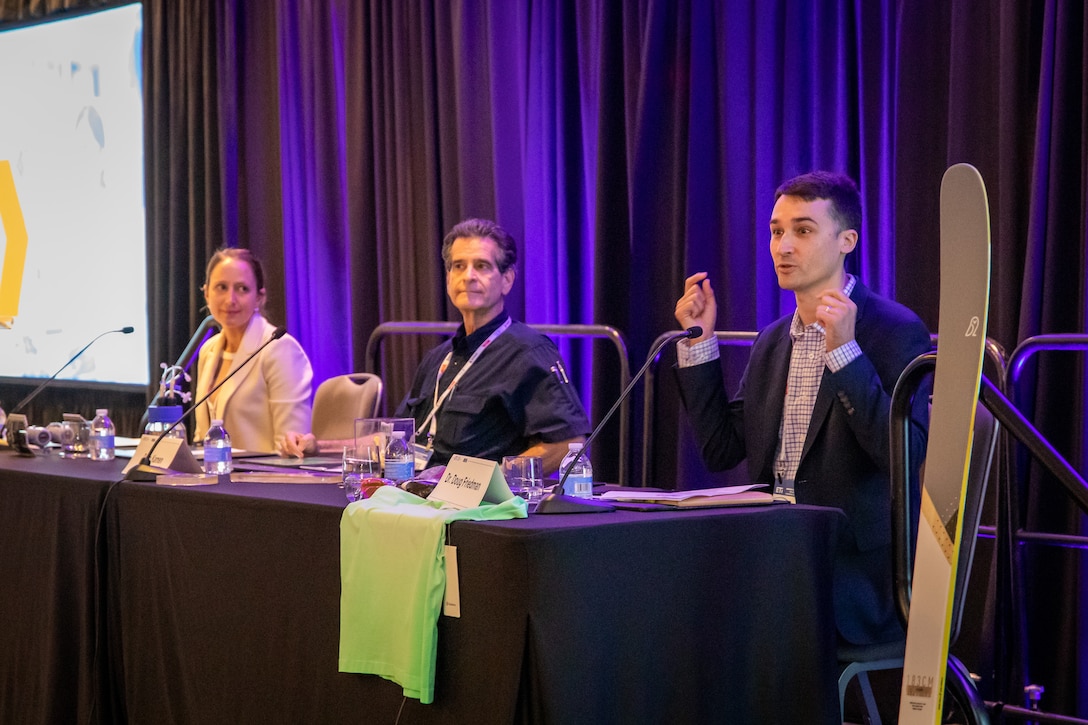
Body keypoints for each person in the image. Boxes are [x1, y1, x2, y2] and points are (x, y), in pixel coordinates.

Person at [673, 171, 931, 646]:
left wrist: (845, 353)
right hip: (774, 553)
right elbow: (720, 450)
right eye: (776, 231)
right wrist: (701, 345)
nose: (783, 246)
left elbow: (904, 459)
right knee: (673, 606)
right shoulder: (774, 339)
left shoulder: (894, 330)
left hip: (850, 573)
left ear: (846, 240)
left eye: (803, 230)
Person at [279, 218, 590, 474]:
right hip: (416, 497)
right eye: (458, 266)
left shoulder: (528, 352)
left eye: (481, 266)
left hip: (477, 515)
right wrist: (319, 446)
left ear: (507, 280)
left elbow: (567, 442)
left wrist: (477, 481)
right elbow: (398, 440)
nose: (468, 277)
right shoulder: (438, 359)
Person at [194, 247, 313, 453]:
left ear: (259, 297)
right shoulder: (208, 350)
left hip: (262, 481)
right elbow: (200, 439)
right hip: (211, 481)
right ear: (206, 293)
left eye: (242, 289)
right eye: (221, 287)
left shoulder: (279, 348)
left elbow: (291, 450)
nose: (230, 299)